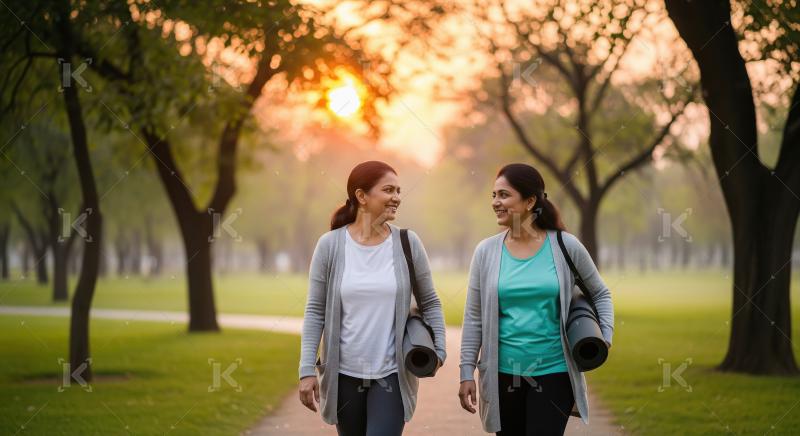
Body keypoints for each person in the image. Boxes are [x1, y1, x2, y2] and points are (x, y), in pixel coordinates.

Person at [458, 163, 614, 435]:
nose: (496, 202)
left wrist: (606, 336)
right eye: (493, 196)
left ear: (530, 201)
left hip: (554, 372)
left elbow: (600, 293)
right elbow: (473, 317)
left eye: (504, 195)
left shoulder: (566, 245)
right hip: (503, 375)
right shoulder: (486, 252)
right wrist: (465, 372)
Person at [298, 160, 447, 436]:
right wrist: (307, 369)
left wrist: (439, 350)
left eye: (399, 191)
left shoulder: (407, 243)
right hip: (343, 376)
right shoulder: (330, 245)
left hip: (391, 374)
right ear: (361, 196)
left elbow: (431, 302)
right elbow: (315, 311)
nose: (397, 198)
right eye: (389, 190)